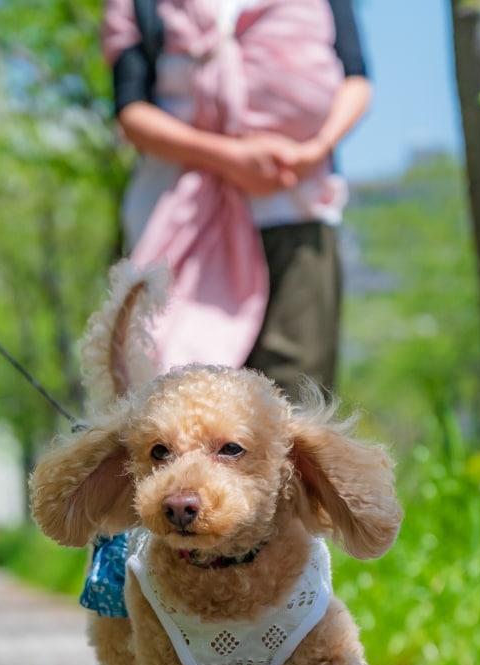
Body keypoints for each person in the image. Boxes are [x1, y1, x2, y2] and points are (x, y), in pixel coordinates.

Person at [78, 0, 371, 621]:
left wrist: (315, 145)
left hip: (297, 207)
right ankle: (161, 610)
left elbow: (355, 74)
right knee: (170, 409)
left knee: (294, 409)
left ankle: (296, 607)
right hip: (178, 220)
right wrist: (230, 158)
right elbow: (132, 111)